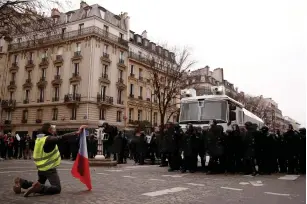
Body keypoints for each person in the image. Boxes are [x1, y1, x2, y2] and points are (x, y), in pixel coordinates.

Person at [12, 123, 87, 197]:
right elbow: (61, 138)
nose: (54, 131)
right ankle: (38, 188)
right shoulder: (48, 139)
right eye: (52, 129)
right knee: (57, 188)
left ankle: (22, 182)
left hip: (41, 168)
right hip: (49, 168)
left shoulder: (39, 139)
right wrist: (77, 132)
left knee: (40, 183)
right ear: (49, 130)